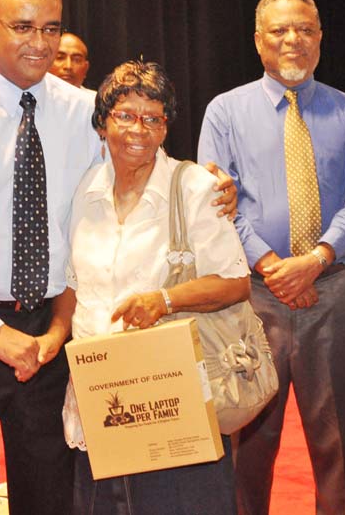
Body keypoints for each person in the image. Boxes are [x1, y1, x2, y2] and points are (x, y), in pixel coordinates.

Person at [0, 0, 236, 515]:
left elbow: (135, 169)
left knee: (52, 496)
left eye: (51, 29)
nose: (40, 42)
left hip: (54, 334)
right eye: (23, 27)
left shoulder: (83, 112)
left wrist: (205, 184)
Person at [198, 0, 345, 515]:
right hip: (253, 296)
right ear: (259, 41)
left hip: (333, 291)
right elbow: (215, 201)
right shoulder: (225, 112)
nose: (293, 40)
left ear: (320, 38)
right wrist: (271, 265)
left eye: (304, 29)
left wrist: (316, 258)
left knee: (338, 443)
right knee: (249, 438)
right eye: (280, 31)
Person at [62, 60, 250, 515]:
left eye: (153, 118)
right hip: (100, 395)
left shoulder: (195, 188)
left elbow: (236, 283)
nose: (138, 130)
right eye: (125, 115)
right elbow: (73, 285)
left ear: (165, 128)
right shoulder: (85, 189)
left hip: (171, 397)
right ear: (103, 123)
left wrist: (163, 300)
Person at [49, 31, 96, 96]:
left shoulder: (96, 103)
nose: (68, 66)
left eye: (77, 60)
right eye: (60, 58)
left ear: (86, 68)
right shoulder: (33, 101)